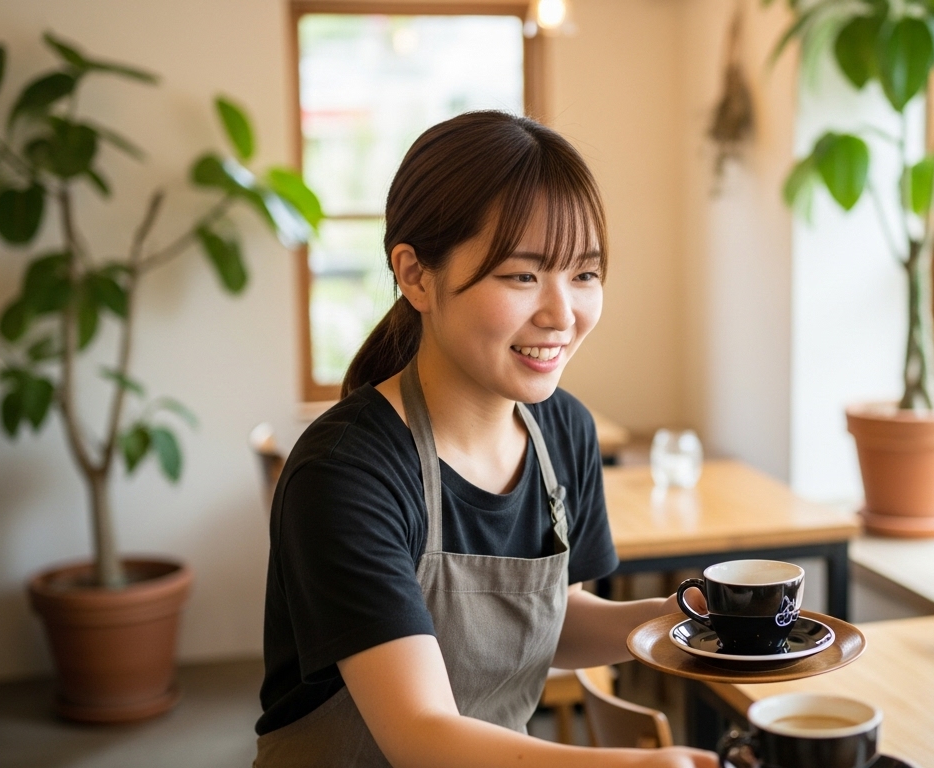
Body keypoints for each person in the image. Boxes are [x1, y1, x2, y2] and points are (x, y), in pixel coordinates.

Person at [254, 111, 718, 768]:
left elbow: (551, 620)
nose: (562, 314)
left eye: (584, 274)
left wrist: (680, 621)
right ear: (416, 275)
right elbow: (420, 734)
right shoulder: (346, 474)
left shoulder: (565, 431)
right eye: (522, 275)